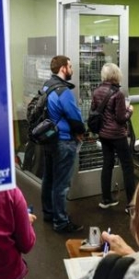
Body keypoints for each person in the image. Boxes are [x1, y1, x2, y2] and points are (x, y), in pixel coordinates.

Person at [41, 55, 86, 233]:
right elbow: (75, 117)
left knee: (49, 178)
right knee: (61, 184)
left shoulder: (46, 86)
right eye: (70, 66)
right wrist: (81, 131)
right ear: (63, 69)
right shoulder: (63, 92)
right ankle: (61, 221)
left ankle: (49, 213)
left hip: (49, 139)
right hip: (64, 141)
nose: (72, 69)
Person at [91, 63, 136, 211]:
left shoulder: (96, 91)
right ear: (116, 75)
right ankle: (131, 204)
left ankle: (106, 199)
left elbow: (94, 111)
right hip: (117, 135)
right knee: (128, 167)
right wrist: (130, 110)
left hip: (103, 134)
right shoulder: (118, 94)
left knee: (107, 164)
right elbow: (121, 118)